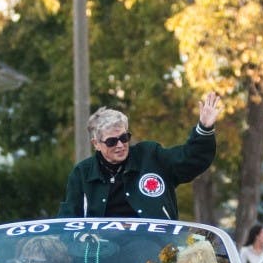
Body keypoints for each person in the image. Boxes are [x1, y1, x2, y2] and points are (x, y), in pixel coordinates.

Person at [58, 92, 222, 219]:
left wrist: (204, 129)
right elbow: (68, 221)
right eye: (111, 142)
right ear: (96, 144)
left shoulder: (150, 155)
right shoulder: (82, 173)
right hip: (101, 255)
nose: (120, 145)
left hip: (154, 253)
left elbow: (190, 160)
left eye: (124, 138)